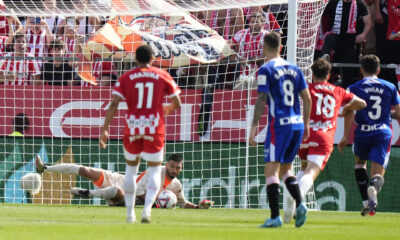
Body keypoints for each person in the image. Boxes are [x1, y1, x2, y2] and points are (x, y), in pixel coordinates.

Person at [100, 45, 181, 223]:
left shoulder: (126, 77)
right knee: (154, 170)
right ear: (153, 59)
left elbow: (114, 103)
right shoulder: (162, 75)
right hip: (154, 126)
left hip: (134, 126)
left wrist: (105, 128)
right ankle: (147, 211)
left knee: (131, 171)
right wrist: (167, 108)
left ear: (135, 59)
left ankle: (130, 214)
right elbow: (177, 101)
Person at [283, 58, 366, 223]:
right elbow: (362, 104)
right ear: (329, 75)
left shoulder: (306, 88)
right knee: (312, 171)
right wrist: (347, 108)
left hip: (304, 134)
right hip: (323, 135)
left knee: (304, 166)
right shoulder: (338, 91)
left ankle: (288, 211)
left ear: (312, 74)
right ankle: (295, 194)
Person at [248, 32, 312, 228]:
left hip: (280, 125)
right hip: (297, 124)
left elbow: (261, 99)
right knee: (286, 169)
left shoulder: (265, 70)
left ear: (264, 48)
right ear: (281, 47)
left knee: (271, 170)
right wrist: (307, 123)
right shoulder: (295, 69)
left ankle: (275, 217)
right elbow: (307, 98)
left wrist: (253, 127)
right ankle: (300, 204)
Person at [338, 54, 400, 216]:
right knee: (378, 173)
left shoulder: (354, 87)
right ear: (378, 70)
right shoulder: (390, 87)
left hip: (363, 132)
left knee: (359, 164)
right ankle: (373, 190)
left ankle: (366, 201)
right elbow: (399, 113)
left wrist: (345, 136)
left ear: (361, 70)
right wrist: (388, 114)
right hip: (382, 132)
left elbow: (350, 111)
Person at [35, 154, 214, 209]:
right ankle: (45, 168)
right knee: (85, 170)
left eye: (178, 168)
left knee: (115, 191)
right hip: (125, 181)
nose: (174, 170)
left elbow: (182, 203)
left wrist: (198, 207)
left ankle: (88, 193)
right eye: (172, 166)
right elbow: (142, 194)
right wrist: (159, 204)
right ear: (167, 164)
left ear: (180, 169)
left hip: (126, 197)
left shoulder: (176, 185)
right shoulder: (155, 172)